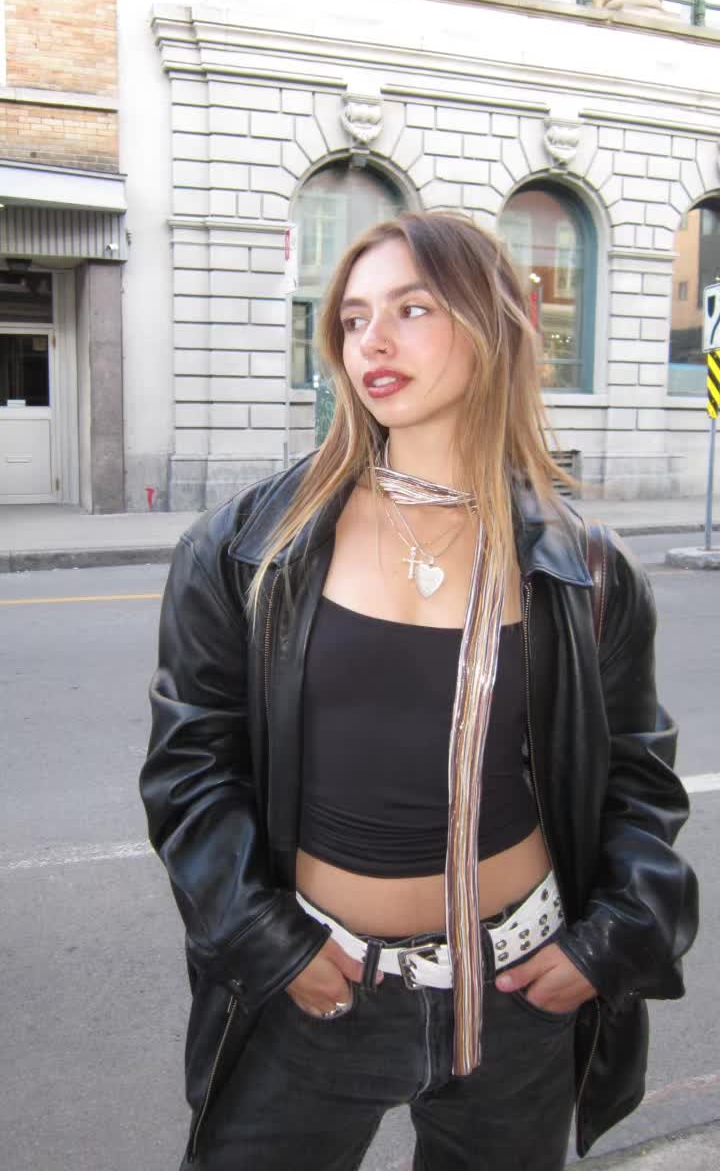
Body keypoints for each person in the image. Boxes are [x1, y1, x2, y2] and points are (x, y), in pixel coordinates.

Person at [140, 211, 698, 1171]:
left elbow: (637, 783)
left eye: (412, 308)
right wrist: (268, 946)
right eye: (354, 319)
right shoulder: (247, 549)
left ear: (494, 324)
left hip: (519, 995)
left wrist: (604, 948)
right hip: (316, 987)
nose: (372, 342)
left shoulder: (589, 571)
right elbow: (191, 770)